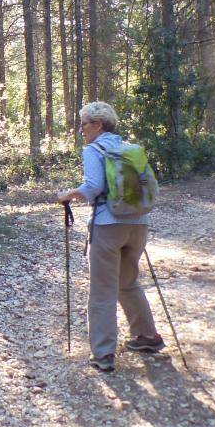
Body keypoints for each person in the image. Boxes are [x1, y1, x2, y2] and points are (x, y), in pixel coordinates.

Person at [56, 101, 164, 372]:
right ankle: (147, 336)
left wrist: (67, 195)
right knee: (128, 282)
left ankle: (103, 354)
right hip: (138, 224)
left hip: (108, 225)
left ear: (98, 125)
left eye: (83, 124)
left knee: (102, 291)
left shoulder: (94, 150)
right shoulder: (129, 148)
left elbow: (93, 187)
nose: (81, 130)